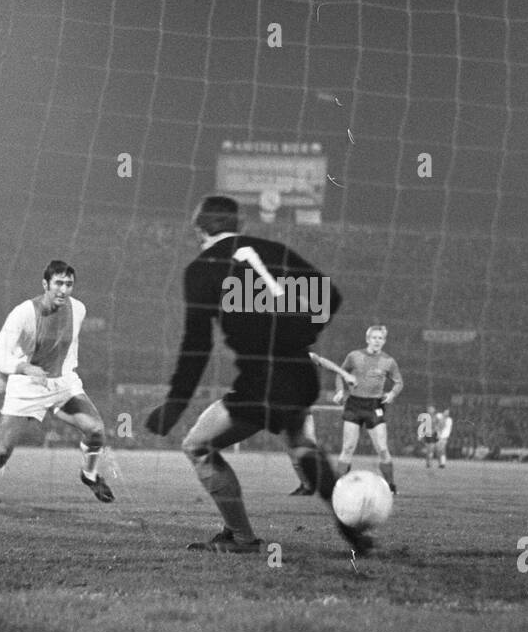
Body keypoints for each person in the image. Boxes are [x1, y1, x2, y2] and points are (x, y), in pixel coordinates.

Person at [145, 195, 371, 554]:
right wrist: (300, 334)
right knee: (301, 443)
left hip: (261, 376)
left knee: (198, 445)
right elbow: (331, 296)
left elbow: (196, 345)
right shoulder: (272, 248)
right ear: (240, 225)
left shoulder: (202, 268)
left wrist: (174, 405)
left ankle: (242, 538)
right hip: (299, 372)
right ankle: (351, 529)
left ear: (198, 228)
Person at [0, 260, 113, 512]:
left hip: (63, 383)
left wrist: (64, 373)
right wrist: (24, 367)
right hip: (27, 386)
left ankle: (89, 475)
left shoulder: (79, 309)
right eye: (58, 283)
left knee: (96, 430)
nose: (64, 290)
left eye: (69, 284)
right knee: (0, 452)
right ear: (45, 284)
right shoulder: (23, 313)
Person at [334, 325, 403, 492]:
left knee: (382, 448)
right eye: (374, 337)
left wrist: (392, 394)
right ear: (368, 339)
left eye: (380, 338)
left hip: (374, 406)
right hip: (354, 404)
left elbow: (399, 382)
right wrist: (340, 391)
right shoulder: (354, 356)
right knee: (348, 447)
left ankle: (391, 486)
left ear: (384, 341)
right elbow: (339, 373)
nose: (377, 341)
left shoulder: (388, 361)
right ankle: (337, 486)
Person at [286, 352, 357, 495]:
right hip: (284, 410)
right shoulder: (277, 357)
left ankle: (332, 478)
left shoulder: (302, 353)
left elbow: (323, 361)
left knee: (307, 448)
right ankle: (307, 485)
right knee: (293, 451)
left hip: (301, 410)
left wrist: (344, 374)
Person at [422, 404, 454, 468]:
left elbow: (441, 426)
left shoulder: (449, 420)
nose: (446, 413)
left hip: (443, 437)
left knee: (440, 450)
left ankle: (442, 464)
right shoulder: (438, 416)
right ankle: (431, 464)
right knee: (432, 450)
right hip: (434, 435)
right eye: (445, 412)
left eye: (447, 412)